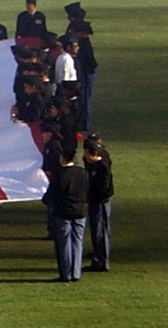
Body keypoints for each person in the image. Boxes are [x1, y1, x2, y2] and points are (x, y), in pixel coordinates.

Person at [50, 147, 89, 282]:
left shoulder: (59, 175)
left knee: (65, 242)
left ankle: (66, 273)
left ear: (63, 159)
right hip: (80, 210)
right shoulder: (83, 173)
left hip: (64, 212)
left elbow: (53, 194)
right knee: (78, 241)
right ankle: (76, 272)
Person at [83, 137, 113, 272]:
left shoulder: (102, 167)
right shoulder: (93, 163)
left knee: (101, 232)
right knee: (97, 231)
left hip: (100, 203)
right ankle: (99, 257)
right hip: (95, 202)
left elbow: (104, 188)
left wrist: (90, 193)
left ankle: (102, 262)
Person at [74, 22, 98, 130]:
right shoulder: (85, 43)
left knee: (84, 99)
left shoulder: (84, 44)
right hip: (86, 73)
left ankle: (84, 124)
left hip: (86, 74)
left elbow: (88, 61)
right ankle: (83, 122)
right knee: (83, 98)